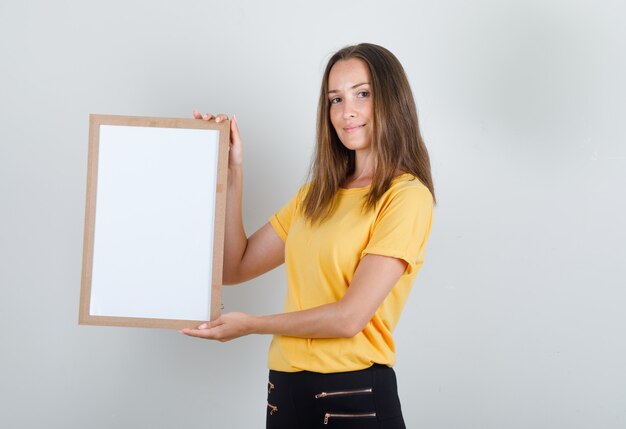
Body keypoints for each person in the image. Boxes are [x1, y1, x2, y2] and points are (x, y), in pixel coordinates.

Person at [182, 43, 435, 428]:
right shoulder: (316, 194)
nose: (346, 111)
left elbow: (349, 318)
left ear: (392, 100)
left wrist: (252, 324)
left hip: (354, 398)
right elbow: (234, 266)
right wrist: (232, 171)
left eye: (362, 94)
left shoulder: (406, 197)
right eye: (335, 99)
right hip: (284, 394)